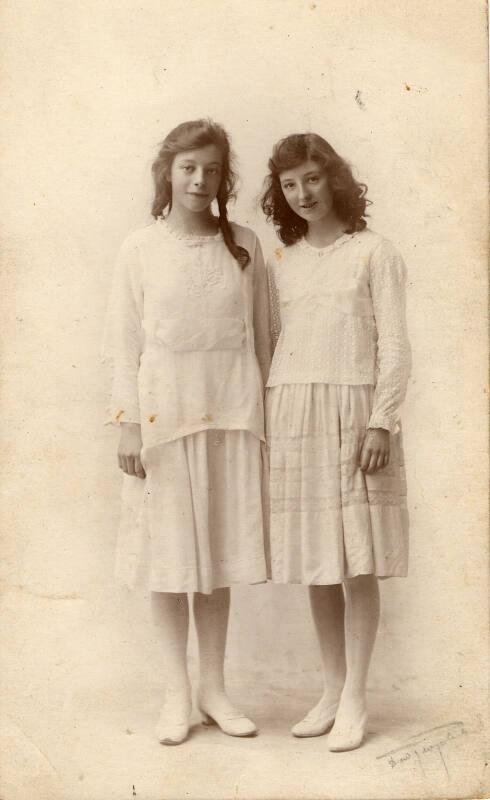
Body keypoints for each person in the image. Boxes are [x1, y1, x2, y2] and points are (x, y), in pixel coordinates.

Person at [103, 119, 271, 745]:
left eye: (211, 170)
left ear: (224, 177)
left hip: (230, 416)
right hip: (163, 422)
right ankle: (178, 695)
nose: (200, 180)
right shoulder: (139, 249)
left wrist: (266, 421)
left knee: (216, 562)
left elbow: (263, 338)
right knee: (170, 562)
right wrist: (126, 426)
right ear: (167, 173)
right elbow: (122, 345)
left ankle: (215, 689)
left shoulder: (246, 246)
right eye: (187, 168)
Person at [261, 133, 411, 751]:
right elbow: (274, 341)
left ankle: (356, 698)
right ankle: (330, 687)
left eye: (313, 179)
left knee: (356, 561)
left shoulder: (374, 252)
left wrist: (382, 421)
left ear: (336, 178)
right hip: (293, 408)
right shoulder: (282, 261)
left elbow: (396, 345)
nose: (303, 194)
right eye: (290, 184)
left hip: (354, 411)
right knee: (318, 561)